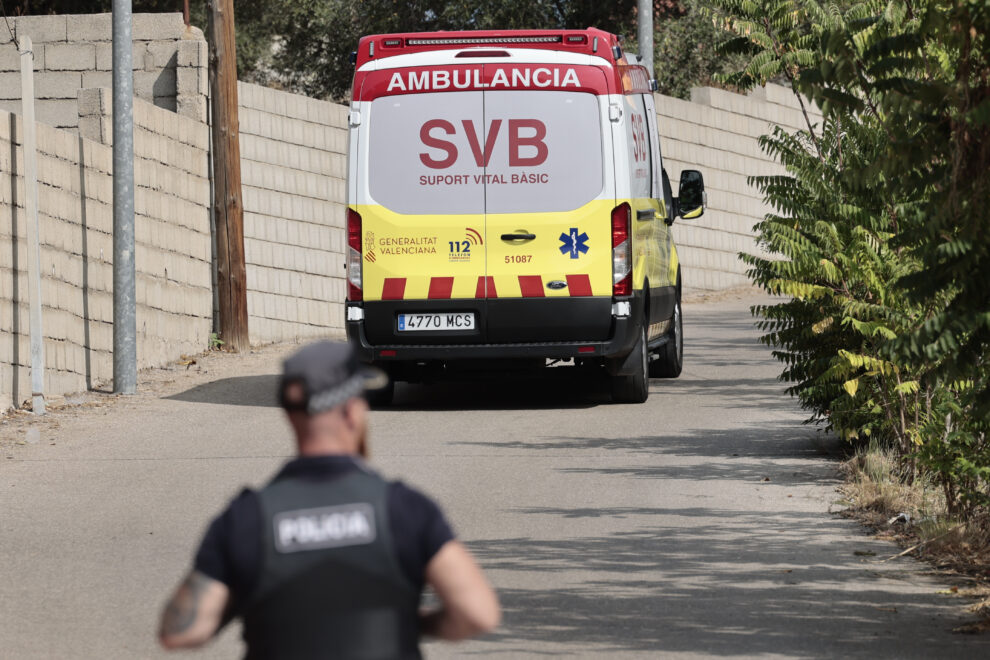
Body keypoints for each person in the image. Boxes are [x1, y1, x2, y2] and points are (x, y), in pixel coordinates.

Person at [158, 341, 500, 658]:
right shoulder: (404, 509)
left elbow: (181, 632)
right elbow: (478, 613)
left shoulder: (246, 520)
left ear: (290, 415)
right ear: (353, 412)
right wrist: (414, 623)